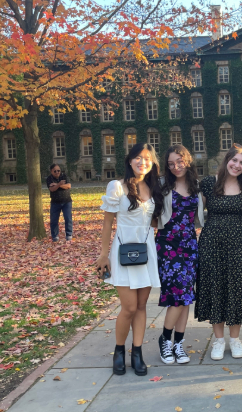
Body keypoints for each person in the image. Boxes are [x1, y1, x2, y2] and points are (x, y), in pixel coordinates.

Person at [95, 143, 164, 376]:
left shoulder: (154, 188)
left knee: (142, 306)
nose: (141, 162)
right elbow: (107, 223)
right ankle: (119, 351)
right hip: (122, 252)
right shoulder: (117, 186)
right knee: (129, 307)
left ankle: (137, 353)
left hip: (146, 252)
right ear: (129, 160)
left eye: (146, 158)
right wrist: (103, 254)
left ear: (152, 162)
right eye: (137, 157)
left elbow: (154, 222)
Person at [194, 145, 242, 360]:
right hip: (211, 242)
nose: (237, 165)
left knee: (237, 288)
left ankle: (235, 339)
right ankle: (219, 340)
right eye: (234, 161)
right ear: (227, 160)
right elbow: (194, 213)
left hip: (238, 243)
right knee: (215, 288)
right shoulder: (209, 183)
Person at [156, 145, 204, 365]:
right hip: (168, 246)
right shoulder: (161, 186)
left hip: (189, 245)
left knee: (185, 297)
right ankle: (165, 339)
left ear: (188, 160)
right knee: (177, 294)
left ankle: (178, 344)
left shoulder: (196, 186)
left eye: (180, 162)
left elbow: (200, 215)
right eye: (171, 163)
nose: (176, 167)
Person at [46, 164, 72, 242]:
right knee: (54, 220)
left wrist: (59, 185)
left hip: (66, 201)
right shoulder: (49, 179)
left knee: (68, 218)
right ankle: (55, 236)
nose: (57, 172)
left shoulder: (64, 176)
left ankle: (69, 235)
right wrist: (59, 184)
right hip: (55, 202)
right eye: (55, 171)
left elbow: (68, 186)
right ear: (51, 171)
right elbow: (52, 189)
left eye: (59, 170)